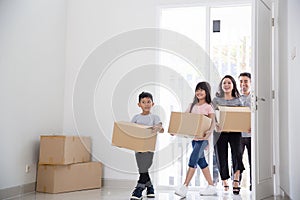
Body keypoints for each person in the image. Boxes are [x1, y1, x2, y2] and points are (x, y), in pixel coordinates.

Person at [174, 82, 217, 198]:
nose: (199, 92)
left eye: (202, 90)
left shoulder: (209, 106)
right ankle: (211, 186)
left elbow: (213, 122)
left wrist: (208, 134)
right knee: (201, 162)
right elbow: (183, 120)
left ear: (207, 92)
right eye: (197, 90)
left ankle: (185, 187)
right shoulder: (192, 106)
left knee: (193, 159)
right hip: (194, 139)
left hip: (203, 140)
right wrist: (175, 130)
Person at [212, 75, 245, 195]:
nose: (226, 85)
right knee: (221, 156)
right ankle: (224, 179)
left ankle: (236, 180)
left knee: (237, 154)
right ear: (221, 86)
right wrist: (215, 124)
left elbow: (243, 116)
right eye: (224, 83)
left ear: (233, 85)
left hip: (235, 131)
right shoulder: (215, 100)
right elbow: (211, 115)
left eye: (229, 83)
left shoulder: (238, 100)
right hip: (220, 132)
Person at [130, 92, 164, 200]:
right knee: (142, 168)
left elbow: (161, 128)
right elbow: (129, 130)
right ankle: (150, 187)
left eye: (148, 102)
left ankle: (139, 188)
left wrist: (158, 127)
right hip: (138, 148)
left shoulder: (154, 117)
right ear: (139, 104)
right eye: (143, 102)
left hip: (149, 148)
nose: (146, 104)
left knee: (144, 167)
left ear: (152, 104)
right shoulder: (136, 117)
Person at [239, 72, 252, 191]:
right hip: (238, 135)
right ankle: (236, 184)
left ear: (250, 82)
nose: (243, 84)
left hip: (251, 135)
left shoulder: (253, 98)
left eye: (245, 81)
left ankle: (253, 185)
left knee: (252, 161)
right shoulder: (236, 98)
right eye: (241, 81)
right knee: (237, 161)